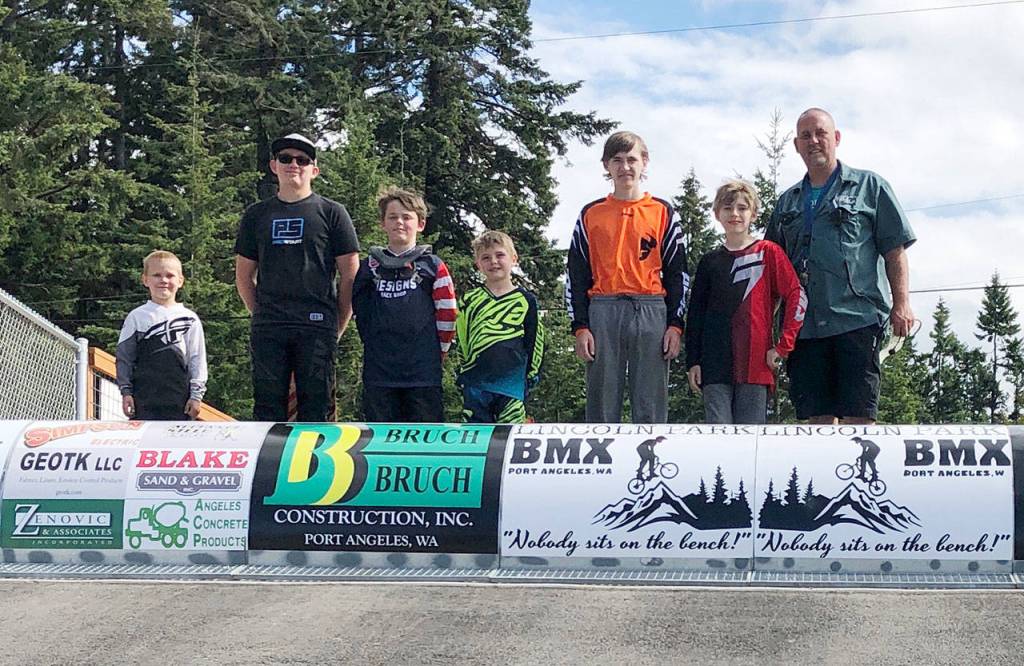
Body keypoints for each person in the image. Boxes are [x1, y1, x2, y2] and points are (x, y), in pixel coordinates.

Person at [766, 109, 916, 425]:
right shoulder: (787, 202)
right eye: (805, 136)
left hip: (857, 321)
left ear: (836, 138)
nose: (814, 141)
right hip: (803, 327)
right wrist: (768, 332)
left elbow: (894, 250)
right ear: (796, 145)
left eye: (820, 133)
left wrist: (902, 304)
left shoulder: (869, 187)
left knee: (859, 421)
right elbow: (773, 272)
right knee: (816, 425)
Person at [235, 133, 360, 422]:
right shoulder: (256, 214)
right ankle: (270, 467)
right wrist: (262, 314)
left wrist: (336, 326)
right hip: (270, 326)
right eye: (286, 158)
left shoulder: (333, 213)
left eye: (302, 160)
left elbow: (350, 275)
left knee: (317, 407)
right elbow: (243, 276)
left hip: (317, 324)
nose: (294, 164)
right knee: (266, 408)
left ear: (314, 170)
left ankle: (319, 466)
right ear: (273, 165)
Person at [565, 131, 688, 423]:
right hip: (603, 309)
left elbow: (678, 273)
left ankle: (650, 463)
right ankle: (602, 465)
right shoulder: (591, 214)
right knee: (602, 402)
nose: (625, 167)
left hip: (651, 307)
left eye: (632, 159)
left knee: (651, 403)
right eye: (617, 160)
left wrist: (675, 325)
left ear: (644, 162)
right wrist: (580, 326)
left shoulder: (662, 212)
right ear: (606, 165)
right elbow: (576, 274)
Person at [685, 179, 806, 424]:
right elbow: (696, 314)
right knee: (719, 437)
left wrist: (783, 345)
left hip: (755, 364)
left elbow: (796, 295)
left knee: (750, 443)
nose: (735, 214)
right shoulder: (709, 261)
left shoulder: (768, 252)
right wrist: (693, 361)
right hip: (714, 365)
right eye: (728, 208)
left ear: (753, 214)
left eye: (742, 208)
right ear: (717, 214)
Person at [352, 186, 456, 422]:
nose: (399, 222)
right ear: (383, 223)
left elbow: (448, 313)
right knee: (379, 441)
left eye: (406, 217)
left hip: (422, 375)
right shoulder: (368, 267)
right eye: (393, 217)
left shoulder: (433, 265)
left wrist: (438, 353)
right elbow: (361, 313)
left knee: (426, 441)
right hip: (380, 375)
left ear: (420, 224)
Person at [456, 230, 544, 424]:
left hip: (511, 384)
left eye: (500, 255)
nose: (493, 261)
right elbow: (462, 337)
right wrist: (463, 371)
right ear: (478, 264)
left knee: (509, 439)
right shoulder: (469, 300)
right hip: (476, 382)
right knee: (476, 439)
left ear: (514, 259)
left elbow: (535, 340)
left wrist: (531, 376)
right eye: (486, 258)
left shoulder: (526, 300)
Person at [117, 250, 207, 421]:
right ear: (145, 280)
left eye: (170, 275)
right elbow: (124, 357)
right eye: (157, 275)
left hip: (180, 400)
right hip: (143, 401)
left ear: (180, 281)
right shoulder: (136, 317)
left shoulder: (190, 318)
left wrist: (196, 396)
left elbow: (197, 359)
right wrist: (126, 391)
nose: (164, 280)